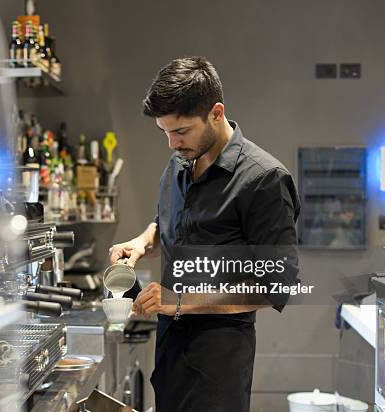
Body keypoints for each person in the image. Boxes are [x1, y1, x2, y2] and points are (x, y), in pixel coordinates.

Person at [108, 56, 300, 412]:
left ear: (216, 112)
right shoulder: (180, 161)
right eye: (165, 132)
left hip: (217, 364)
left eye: (180, 131)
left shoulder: (264, 179)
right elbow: (174, 222)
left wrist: (181, 302)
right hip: (170, 353)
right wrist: (143, 241)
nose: (172, 143)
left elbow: (278, 287)